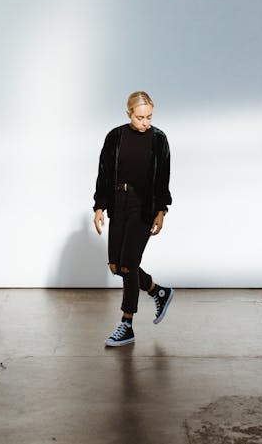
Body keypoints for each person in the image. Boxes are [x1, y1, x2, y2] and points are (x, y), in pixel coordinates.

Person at [93, 91, 174, 347]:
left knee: (129, 263)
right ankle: (158, 291)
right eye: (140, 117)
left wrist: (161, 210)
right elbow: (104, 174)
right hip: (119, 202)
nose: (145, 122)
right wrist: (99, 207)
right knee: (116, 266)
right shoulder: (115, 137)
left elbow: (163, 178)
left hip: (143, 205)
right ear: (129, 114)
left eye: (149, 117)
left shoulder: (158, 139)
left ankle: (126, 324)